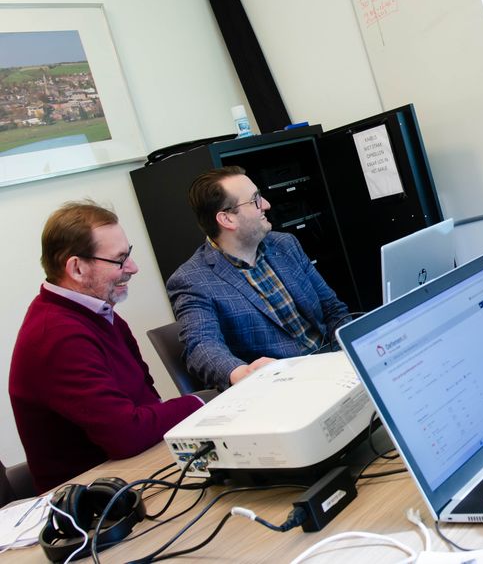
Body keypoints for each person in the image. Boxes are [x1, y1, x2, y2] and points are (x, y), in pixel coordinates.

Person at [8, 201, 202, 492]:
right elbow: (126, 434)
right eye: (119, 259)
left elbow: (147, 400)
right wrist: (202, 402)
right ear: (76, 268)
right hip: (94, 503)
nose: (133, 268)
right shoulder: (57, 335)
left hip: (135, 473)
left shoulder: (97, 313)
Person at [167, 166, 351, 390]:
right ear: (227, 219)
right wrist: (241, 373)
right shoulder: (193, 280)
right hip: (286, 387)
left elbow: (332, 308)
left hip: (335, 366)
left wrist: (351, 348)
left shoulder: (285, 245)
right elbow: (201, 346)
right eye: (255, 200)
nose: (266, 205)